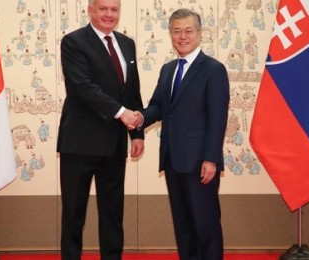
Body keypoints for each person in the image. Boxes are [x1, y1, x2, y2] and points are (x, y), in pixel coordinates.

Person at [135, 8, 230, 260]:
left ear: (199, 33)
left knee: (206, 225)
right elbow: (158, 106)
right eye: (177, 31)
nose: (182, 36)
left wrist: (211, 159)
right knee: (184, 227)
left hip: (200, 162)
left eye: (188, 30)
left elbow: (217, 118)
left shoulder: (213, 69)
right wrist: (140, 118)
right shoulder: (168, 70)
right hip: (173, 160)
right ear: (171, 35)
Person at [57, 0, 144, 259]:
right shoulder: (73, 42)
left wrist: (136, 134)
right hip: (79, 143)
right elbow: (82, 86)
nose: (109, 14)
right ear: (91, 11)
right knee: (74, 214)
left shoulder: (127, 43)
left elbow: (132, 91)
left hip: (114, 143)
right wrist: (122, 113)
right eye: (103, 9)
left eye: (114, 9)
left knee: (113, 212)